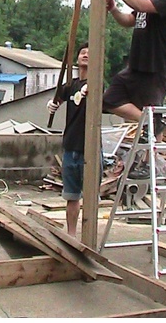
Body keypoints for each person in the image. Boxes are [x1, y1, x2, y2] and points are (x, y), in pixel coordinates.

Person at [97, 0, 166, 177]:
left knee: (153, 116)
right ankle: (147, 121)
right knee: (109, 100)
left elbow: (140, 4)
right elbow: (127, 21)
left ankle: (149, 163)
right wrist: (114, 9)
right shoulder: (149, 3)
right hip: (135, 68)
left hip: (155, 70)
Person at [47, 42, 100, 237]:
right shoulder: (71, 85)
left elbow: (103, 98)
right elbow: (57, 99)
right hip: (70, 146)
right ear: (77, 58)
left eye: (89, 53)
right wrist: (52, 104)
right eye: (82, 52)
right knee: (71, 195)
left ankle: (90, 236)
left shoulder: (98, 83)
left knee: (91, 196)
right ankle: (71, 235)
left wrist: (90, 90)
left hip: (90, 148)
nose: (85, 55)